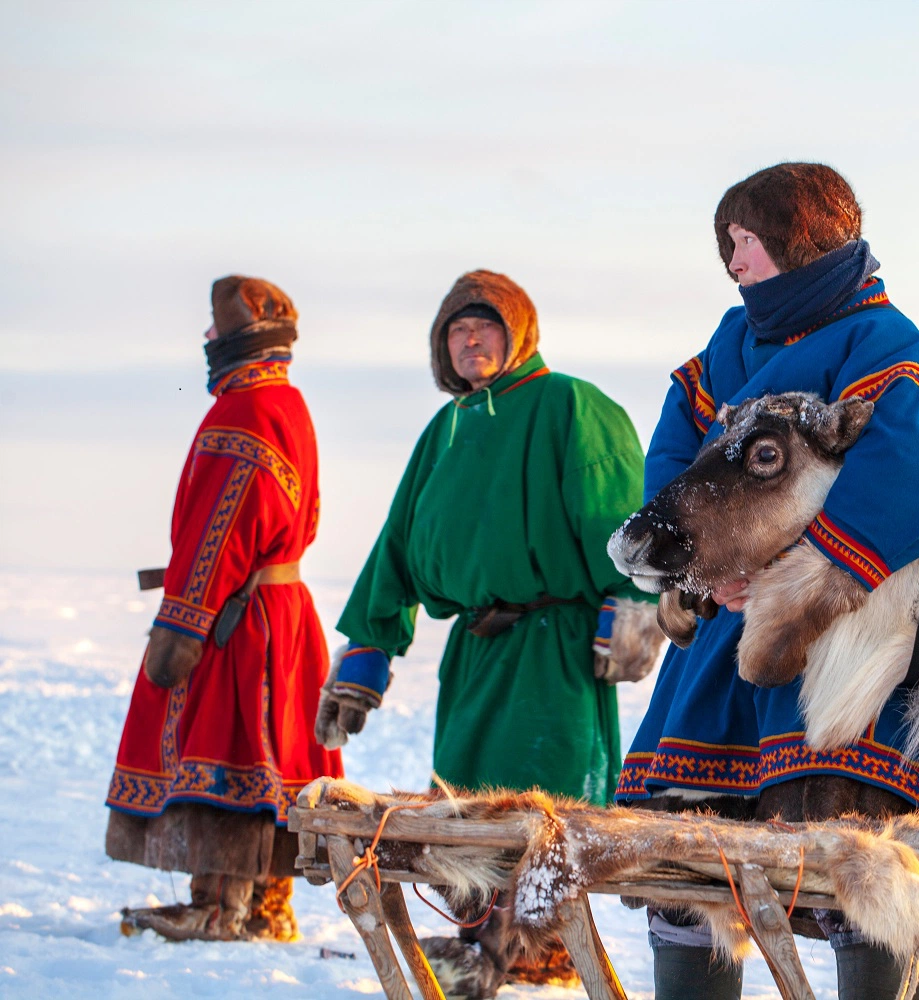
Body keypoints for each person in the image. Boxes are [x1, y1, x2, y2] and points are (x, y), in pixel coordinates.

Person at [619, 163, 919, 1000]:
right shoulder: (724, 351)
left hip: (845, 636)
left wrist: (802, 575)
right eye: (728, 245)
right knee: (691, 865)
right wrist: (704, 571)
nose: (734, 263)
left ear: (799, 240)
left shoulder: (878, 338)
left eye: (748, 242)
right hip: (727, 643)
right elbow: (674, 470)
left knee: (861, 860)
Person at [322, 269, 662, 995]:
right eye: (457, 331)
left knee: (546, 800)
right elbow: (398, 546)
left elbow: (618, 517)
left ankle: (537, 945)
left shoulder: (570, 404)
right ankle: (484, 937)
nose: (471, 340)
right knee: (467, 797)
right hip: (474, 650)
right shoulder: (444, 430)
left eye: (485, 327)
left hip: (555, 647)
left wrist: (635, 612)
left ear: (519, 335)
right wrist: (368, 649)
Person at [106, 275, 341, 943]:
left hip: (236, 615)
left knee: (228, 744)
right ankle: (267, 903)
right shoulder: (287, 403)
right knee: (269, 752)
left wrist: (181, 624)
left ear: (236, 338)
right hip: (280, 607)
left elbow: (220, 531)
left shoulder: (243, 411)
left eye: (213, 329)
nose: (205, 339)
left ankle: (218, 905)